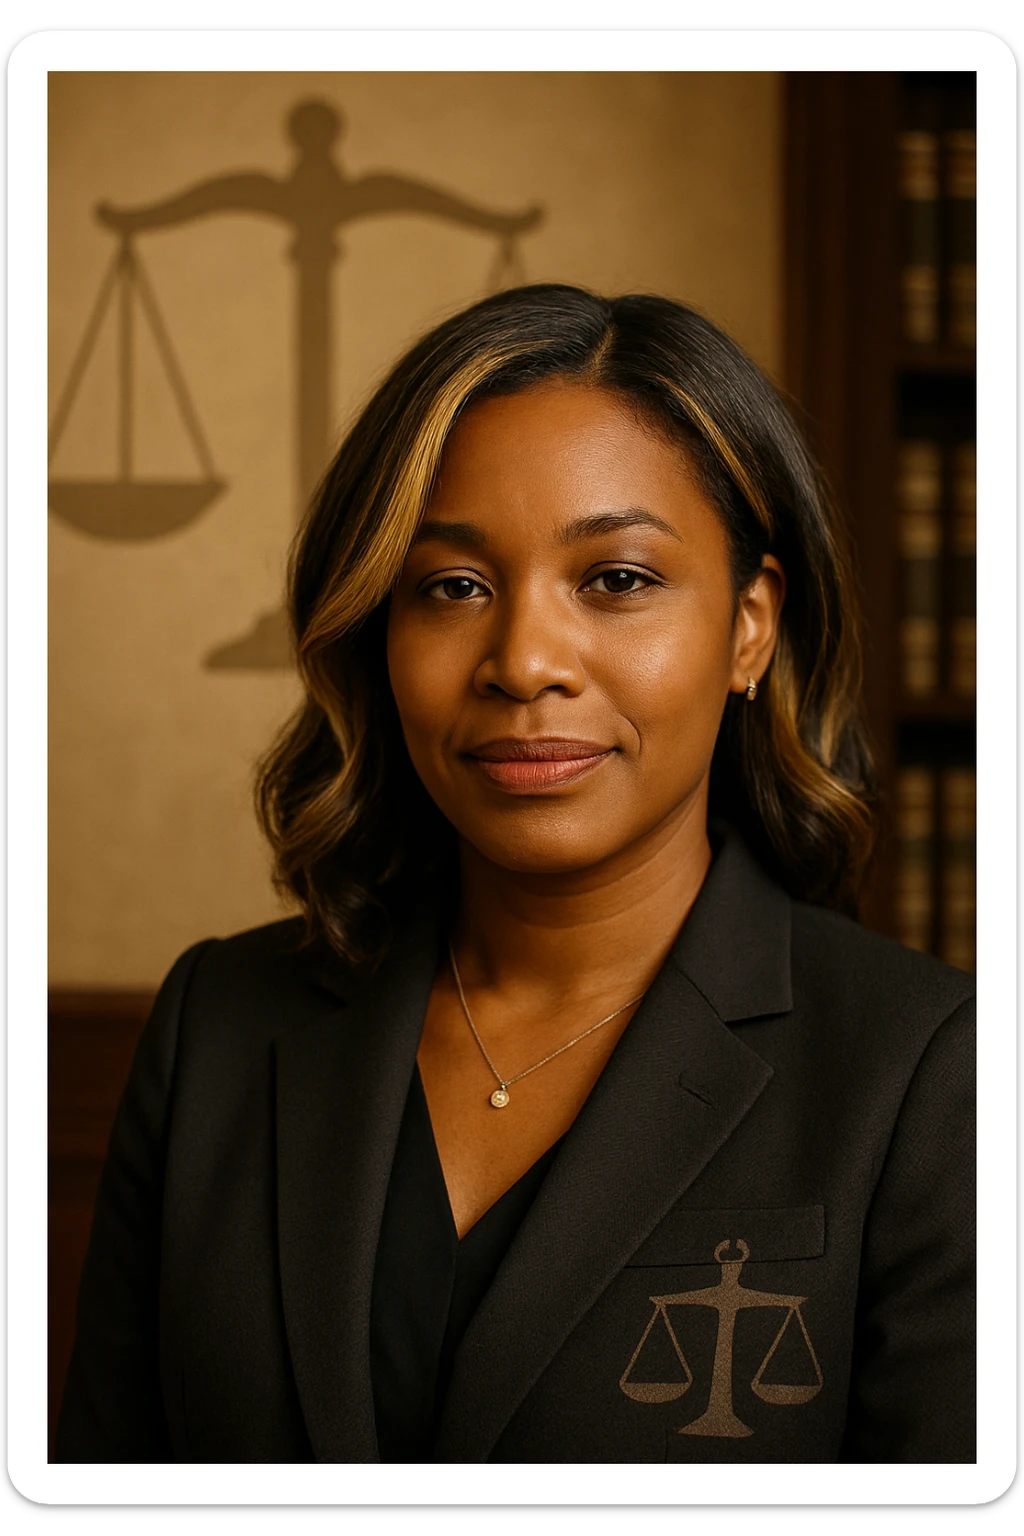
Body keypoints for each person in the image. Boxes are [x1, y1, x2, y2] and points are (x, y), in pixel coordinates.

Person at [56, 285, 975, 1465]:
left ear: (749, 625)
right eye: (452, 587)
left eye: (618, 580)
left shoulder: (928, 1073)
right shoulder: (218, 1030)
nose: (524, 661)